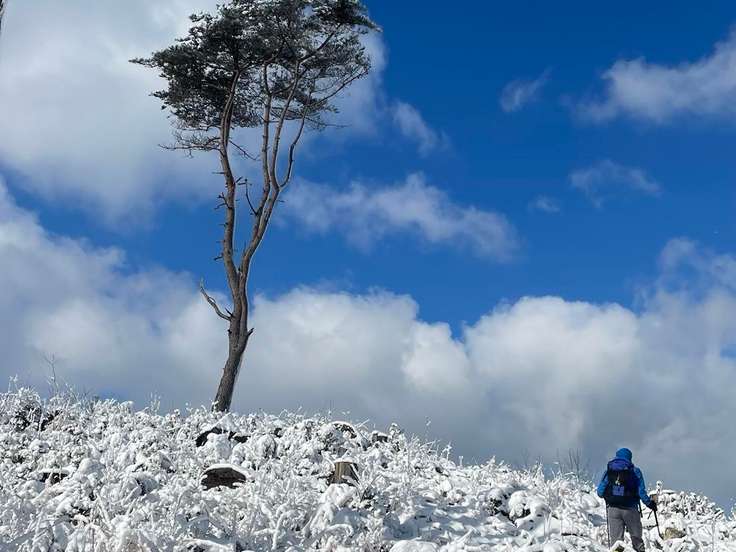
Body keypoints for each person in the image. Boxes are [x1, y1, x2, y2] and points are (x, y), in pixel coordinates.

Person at [597, 448, 656, 551]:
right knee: (637, 539)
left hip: (613, 510)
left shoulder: (609, 471)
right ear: (630, 458)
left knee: (616, 543)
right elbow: (641, 492)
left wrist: (611, 496)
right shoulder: (635, 471)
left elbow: (600, 492)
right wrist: (650, 504)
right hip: (631, 509)